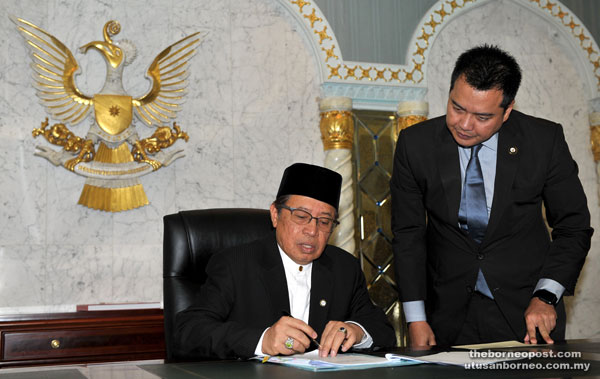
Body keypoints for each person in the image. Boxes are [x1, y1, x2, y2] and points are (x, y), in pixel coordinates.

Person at [391, 45, 593, 347]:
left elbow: (573, 227)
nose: (465, 124)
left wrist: (546, 295)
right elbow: (408, 235)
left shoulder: (543, 141)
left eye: (482, 116)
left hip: (528, 314)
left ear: (507, 111)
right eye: (457, 108)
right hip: (446, 316)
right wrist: (416, 318)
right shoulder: (415, 144)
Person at [175, 163, 396, 359]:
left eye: (325, 221)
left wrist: (355, 331)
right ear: (275, 215)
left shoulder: (343, 268)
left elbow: (383, 330)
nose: (312, 231)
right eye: (301, 217)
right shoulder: (235, 264)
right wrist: (263, 340)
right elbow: (188, 332)